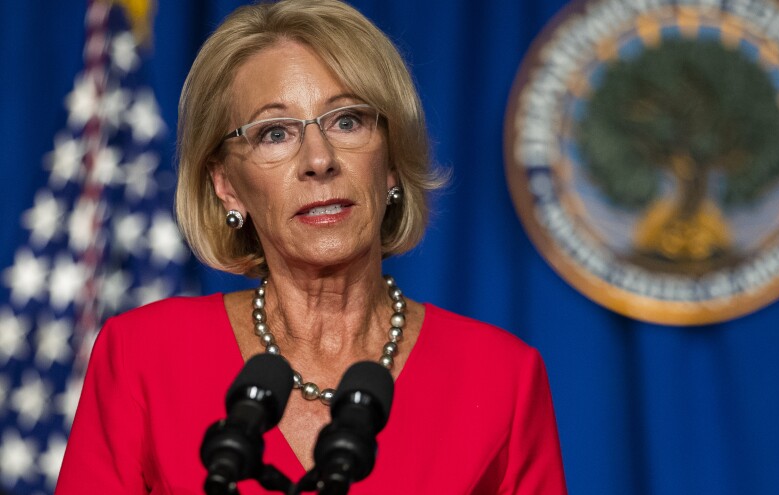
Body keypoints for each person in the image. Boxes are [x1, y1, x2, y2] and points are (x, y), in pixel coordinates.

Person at [56, 0, 567, 493]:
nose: (319, 159)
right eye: (274, 133)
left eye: (347, 121)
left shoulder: (502, 380)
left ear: (390, 162)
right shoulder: (143, 357)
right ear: (226, 185)